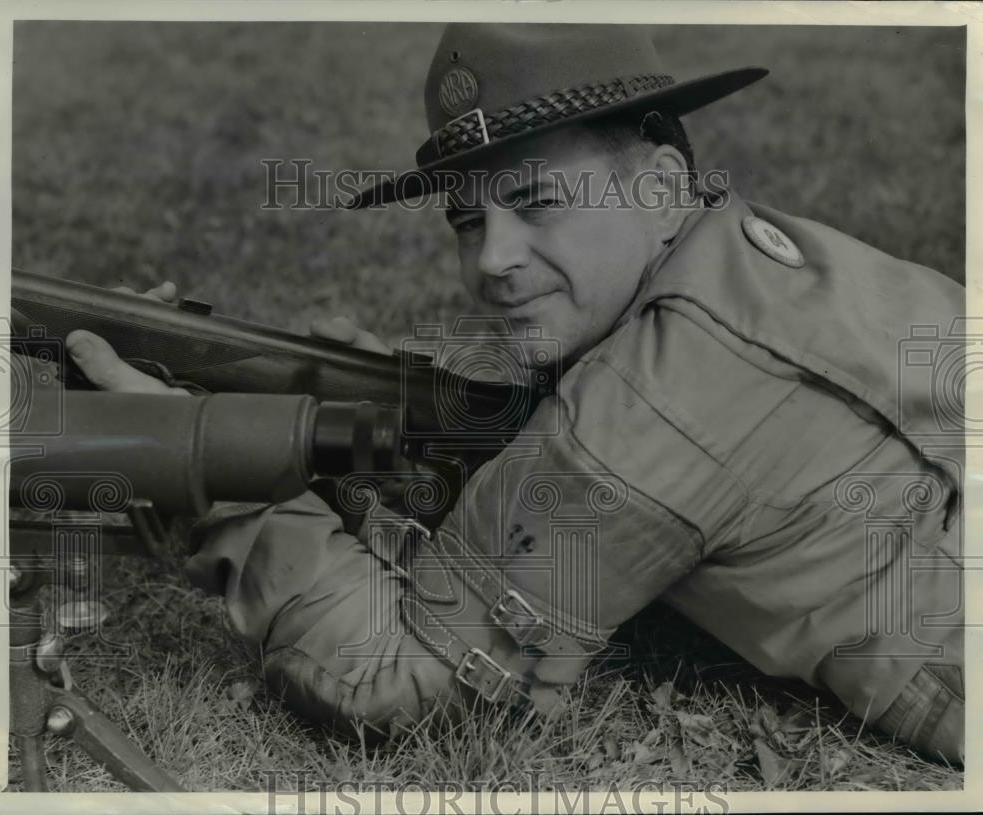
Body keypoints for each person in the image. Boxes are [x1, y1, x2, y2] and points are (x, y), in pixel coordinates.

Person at [65, 23, 965, 763]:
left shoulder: (661, 404)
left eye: (536, 202)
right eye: (468, 219)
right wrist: (367, 419)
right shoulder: (767, 259)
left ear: (659, 187)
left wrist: (208, 461)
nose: (491, 259)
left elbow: (397, 684)